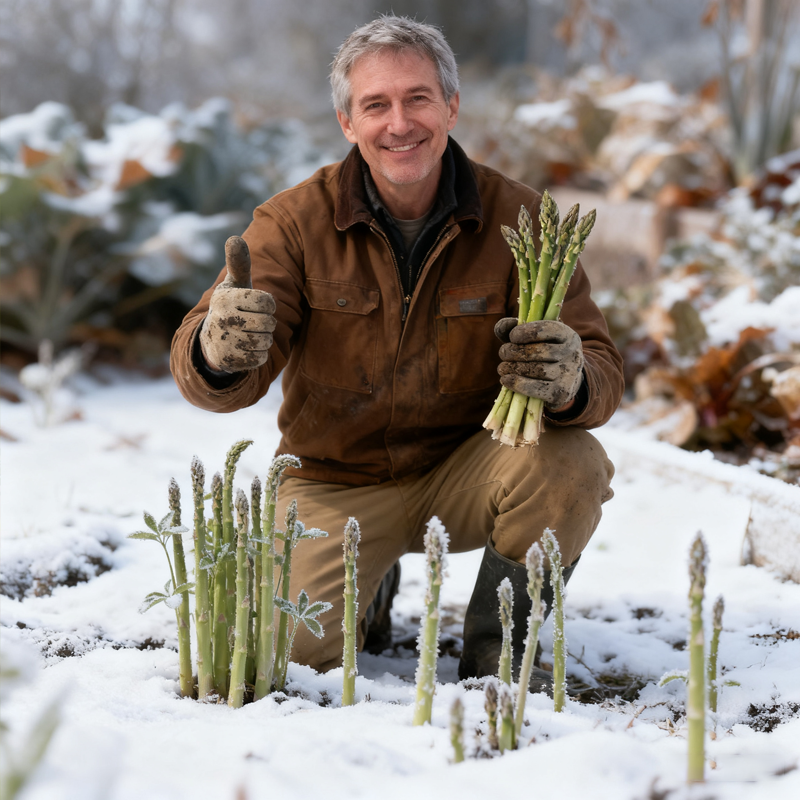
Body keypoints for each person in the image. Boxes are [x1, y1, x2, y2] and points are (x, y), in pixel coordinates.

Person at [171, 15, 623, 688]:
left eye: (417, 98)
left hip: (468, 470)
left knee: (572, 464)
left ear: (451, 107)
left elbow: (603, 369)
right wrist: (218, 350)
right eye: (375, 105)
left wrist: (571, 380)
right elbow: (208, 372)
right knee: (288, 655)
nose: (400, 123)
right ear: (347, 122)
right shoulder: (293, 223)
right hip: (334, 481)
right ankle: (370, 581)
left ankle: (499, 650)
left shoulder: (524, 220)